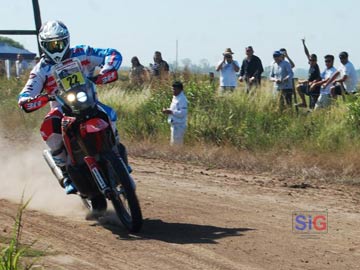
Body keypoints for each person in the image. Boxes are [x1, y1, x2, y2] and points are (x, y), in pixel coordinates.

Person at [17, 20, 130, 194]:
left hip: (88, 101)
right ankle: (64, 171)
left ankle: (116, 151)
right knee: (48, 128)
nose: (56, 48)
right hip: (62, 109)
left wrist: (106, 70)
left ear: (67, 40)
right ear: (43, 45)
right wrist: (32, 100)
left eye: (60, 43)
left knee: (110, 114)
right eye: (51, 45)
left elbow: (111, 54)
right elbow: (26, 93)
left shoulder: (82, 52)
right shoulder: (41, 69)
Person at [295, 39, 321, 109]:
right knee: (298, 87)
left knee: (312, 107)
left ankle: (306, 105)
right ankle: (304, 102)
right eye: (310, 60)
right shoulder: (311, 64)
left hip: (314, 87)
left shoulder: (315, 67)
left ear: (316, 61)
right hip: (310, 85)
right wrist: (303, 44)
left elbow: (310, 80)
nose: (311, 61)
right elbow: (307, 53)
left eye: (313, 60)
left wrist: (301, 81)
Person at [162, 81, 188, 146]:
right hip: (174, 125)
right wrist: (167, 110)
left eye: (174, 89)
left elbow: (183, 113)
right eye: (172, 89)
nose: (173, 91)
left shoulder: (182, 99)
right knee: (173, 144)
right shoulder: (175, 97)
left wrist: (171, 112)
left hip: (179, 126)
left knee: (177, 145)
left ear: (180, 89)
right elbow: (175, 109)